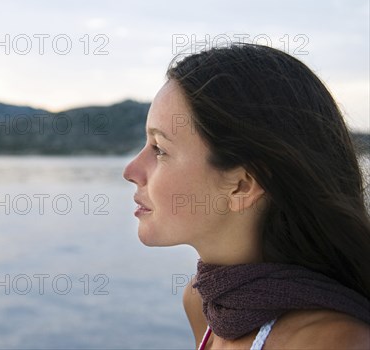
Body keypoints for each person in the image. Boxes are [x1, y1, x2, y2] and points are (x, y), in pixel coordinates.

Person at [122, 43, 370, 349]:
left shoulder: (333, 340)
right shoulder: (205, 302)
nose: (131, 170)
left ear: (242, 186)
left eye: (159, 149)